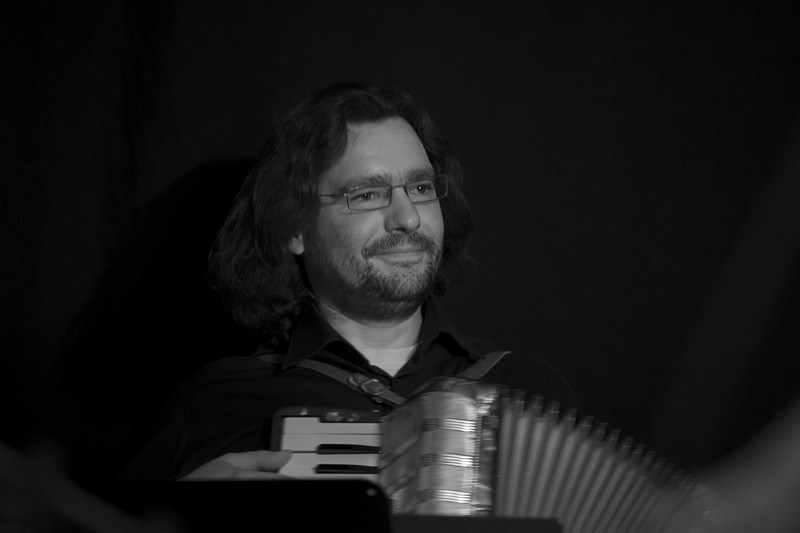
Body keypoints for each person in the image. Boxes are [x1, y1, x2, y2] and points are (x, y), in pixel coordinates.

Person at [121, 81, 578, 481]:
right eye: (368, 194)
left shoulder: (531, 391)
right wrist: (190, 517)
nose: (407, 218)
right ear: (293, 228)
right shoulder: (213, 406)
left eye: (420, 188)